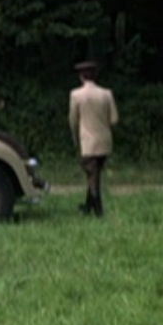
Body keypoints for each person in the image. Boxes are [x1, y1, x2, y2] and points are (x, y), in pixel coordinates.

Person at [69, 60, 119, 217]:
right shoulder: (106, 94)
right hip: (104, 141)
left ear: (81, 77)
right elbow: (114, 119)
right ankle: (87, 207)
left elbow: (73, 120)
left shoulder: (76, 95)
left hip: (88, 142)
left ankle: (98, 210)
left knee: (92, 176)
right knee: (94, 175)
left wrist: (75, 137)